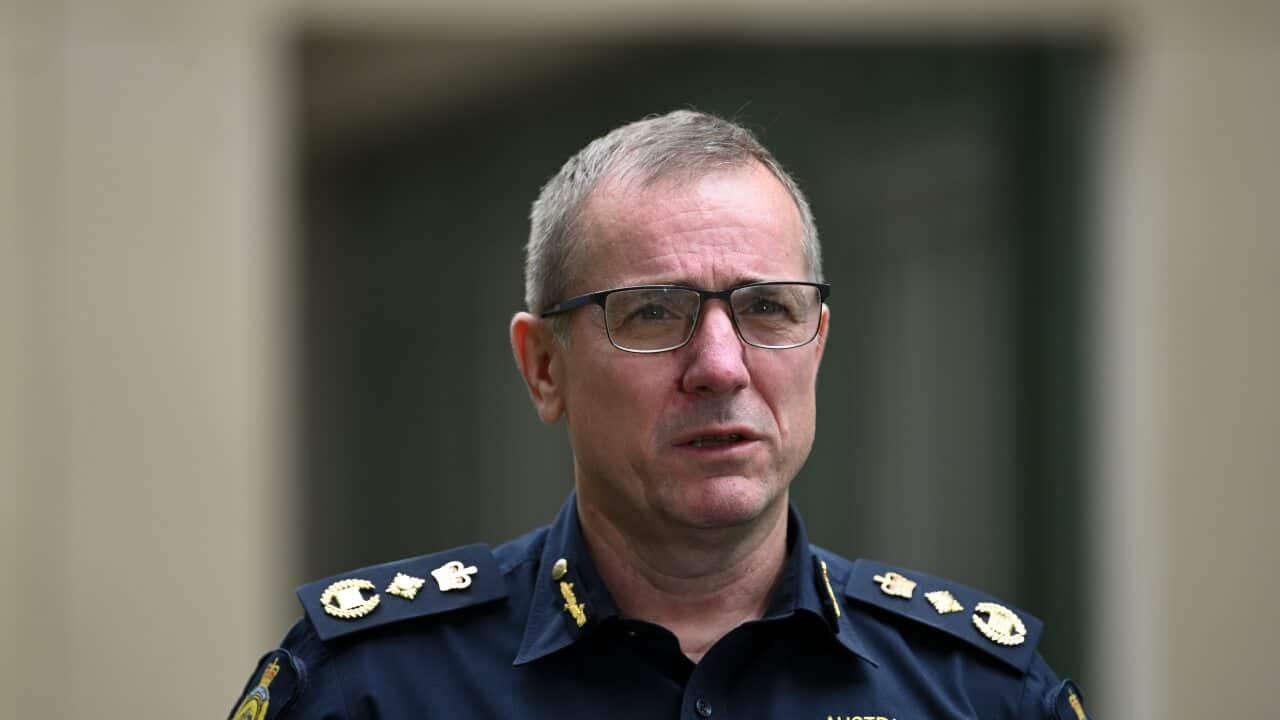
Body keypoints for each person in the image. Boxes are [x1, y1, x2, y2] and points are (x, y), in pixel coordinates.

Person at [229, 110, 1092, 720]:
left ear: (817, 343)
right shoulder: (375, 689)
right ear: (542, 368)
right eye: (651, 312)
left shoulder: (977, 695)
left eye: (768, 309)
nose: (720, 366)